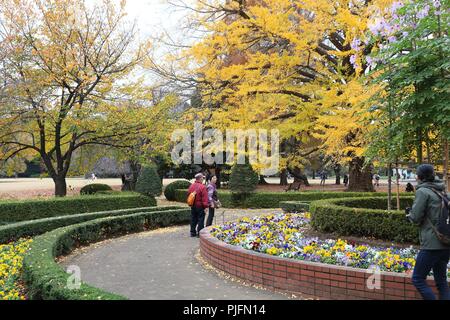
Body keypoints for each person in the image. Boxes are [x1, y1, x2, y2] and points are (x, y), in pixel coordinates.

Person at [406, 164, 450, 300]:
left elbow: (415, 217)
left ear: (419, 177)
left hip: (431, 244)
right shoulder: (443, 191)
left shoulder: (423, 192)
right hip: (446, 242)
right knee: (441, 282)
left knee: (418, 279)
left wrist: (408, 214)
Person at [187, 173, 209, 237]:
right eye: (203, 178)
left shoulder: (191, 186)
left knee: (193, 219)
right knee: (201, 220)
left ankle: (192, 232)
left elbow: (188, 195)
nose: (203, 179)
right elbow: (204, 198)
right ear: (200, 178)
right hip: (200, 206)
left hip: (193, 205)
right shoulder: (202, 187)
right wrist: (206, 206)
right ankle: (200, 233)